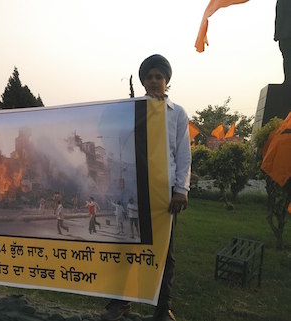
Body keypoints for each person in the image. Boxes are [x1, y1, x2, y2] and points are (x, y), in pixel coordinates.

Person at [100, 54, 191, 321]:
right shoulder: (132, 111)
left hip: (165, 195)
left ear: (166, 81)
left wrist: (181, 190)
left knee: (165, 253)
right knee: (125, 248)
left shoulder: (178, 113)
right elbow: (117, 142)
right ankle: (119, 304)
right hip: (132, 190)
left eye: (158, 77)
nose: (153, 81)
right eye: (148, 77)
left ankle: (163, 309)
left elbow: (183, 154)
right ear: (143, 81)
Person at [275, 0, 291, 87]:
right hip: (285, 34)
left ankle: (288, 79)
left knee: (287, 58)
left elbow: (279, 17)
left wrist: (277, 34)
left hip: (285, 35)